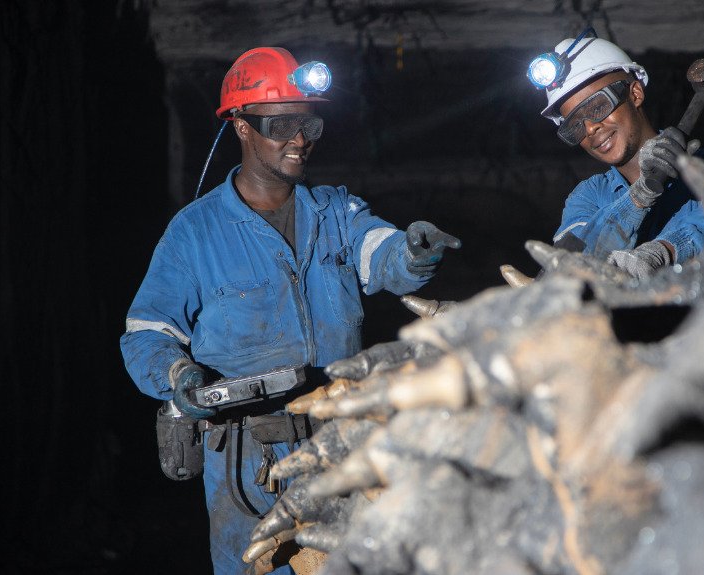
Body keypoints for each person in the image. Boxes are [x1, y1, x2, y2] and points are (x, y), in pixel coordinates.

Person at [120, 46, 460, 574]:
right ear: (241, 127)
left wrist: (413, 251)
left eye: (309, 125)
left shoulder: (336, 212)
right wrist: (180, 375)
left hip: (339, 447)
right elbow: (146, 332)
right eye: (281, 124)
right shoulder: (194, 233)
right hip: (247, 463)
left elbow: (381, 255)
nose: (299, 139)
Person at [529, 31, 704, 279]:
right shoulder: (587, 197)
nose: (590, 128)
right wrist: (639, 196)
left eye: (598, 107)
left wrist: (660, 253)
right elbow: (570, 261)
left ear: (635, 94)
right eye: (575, 125)